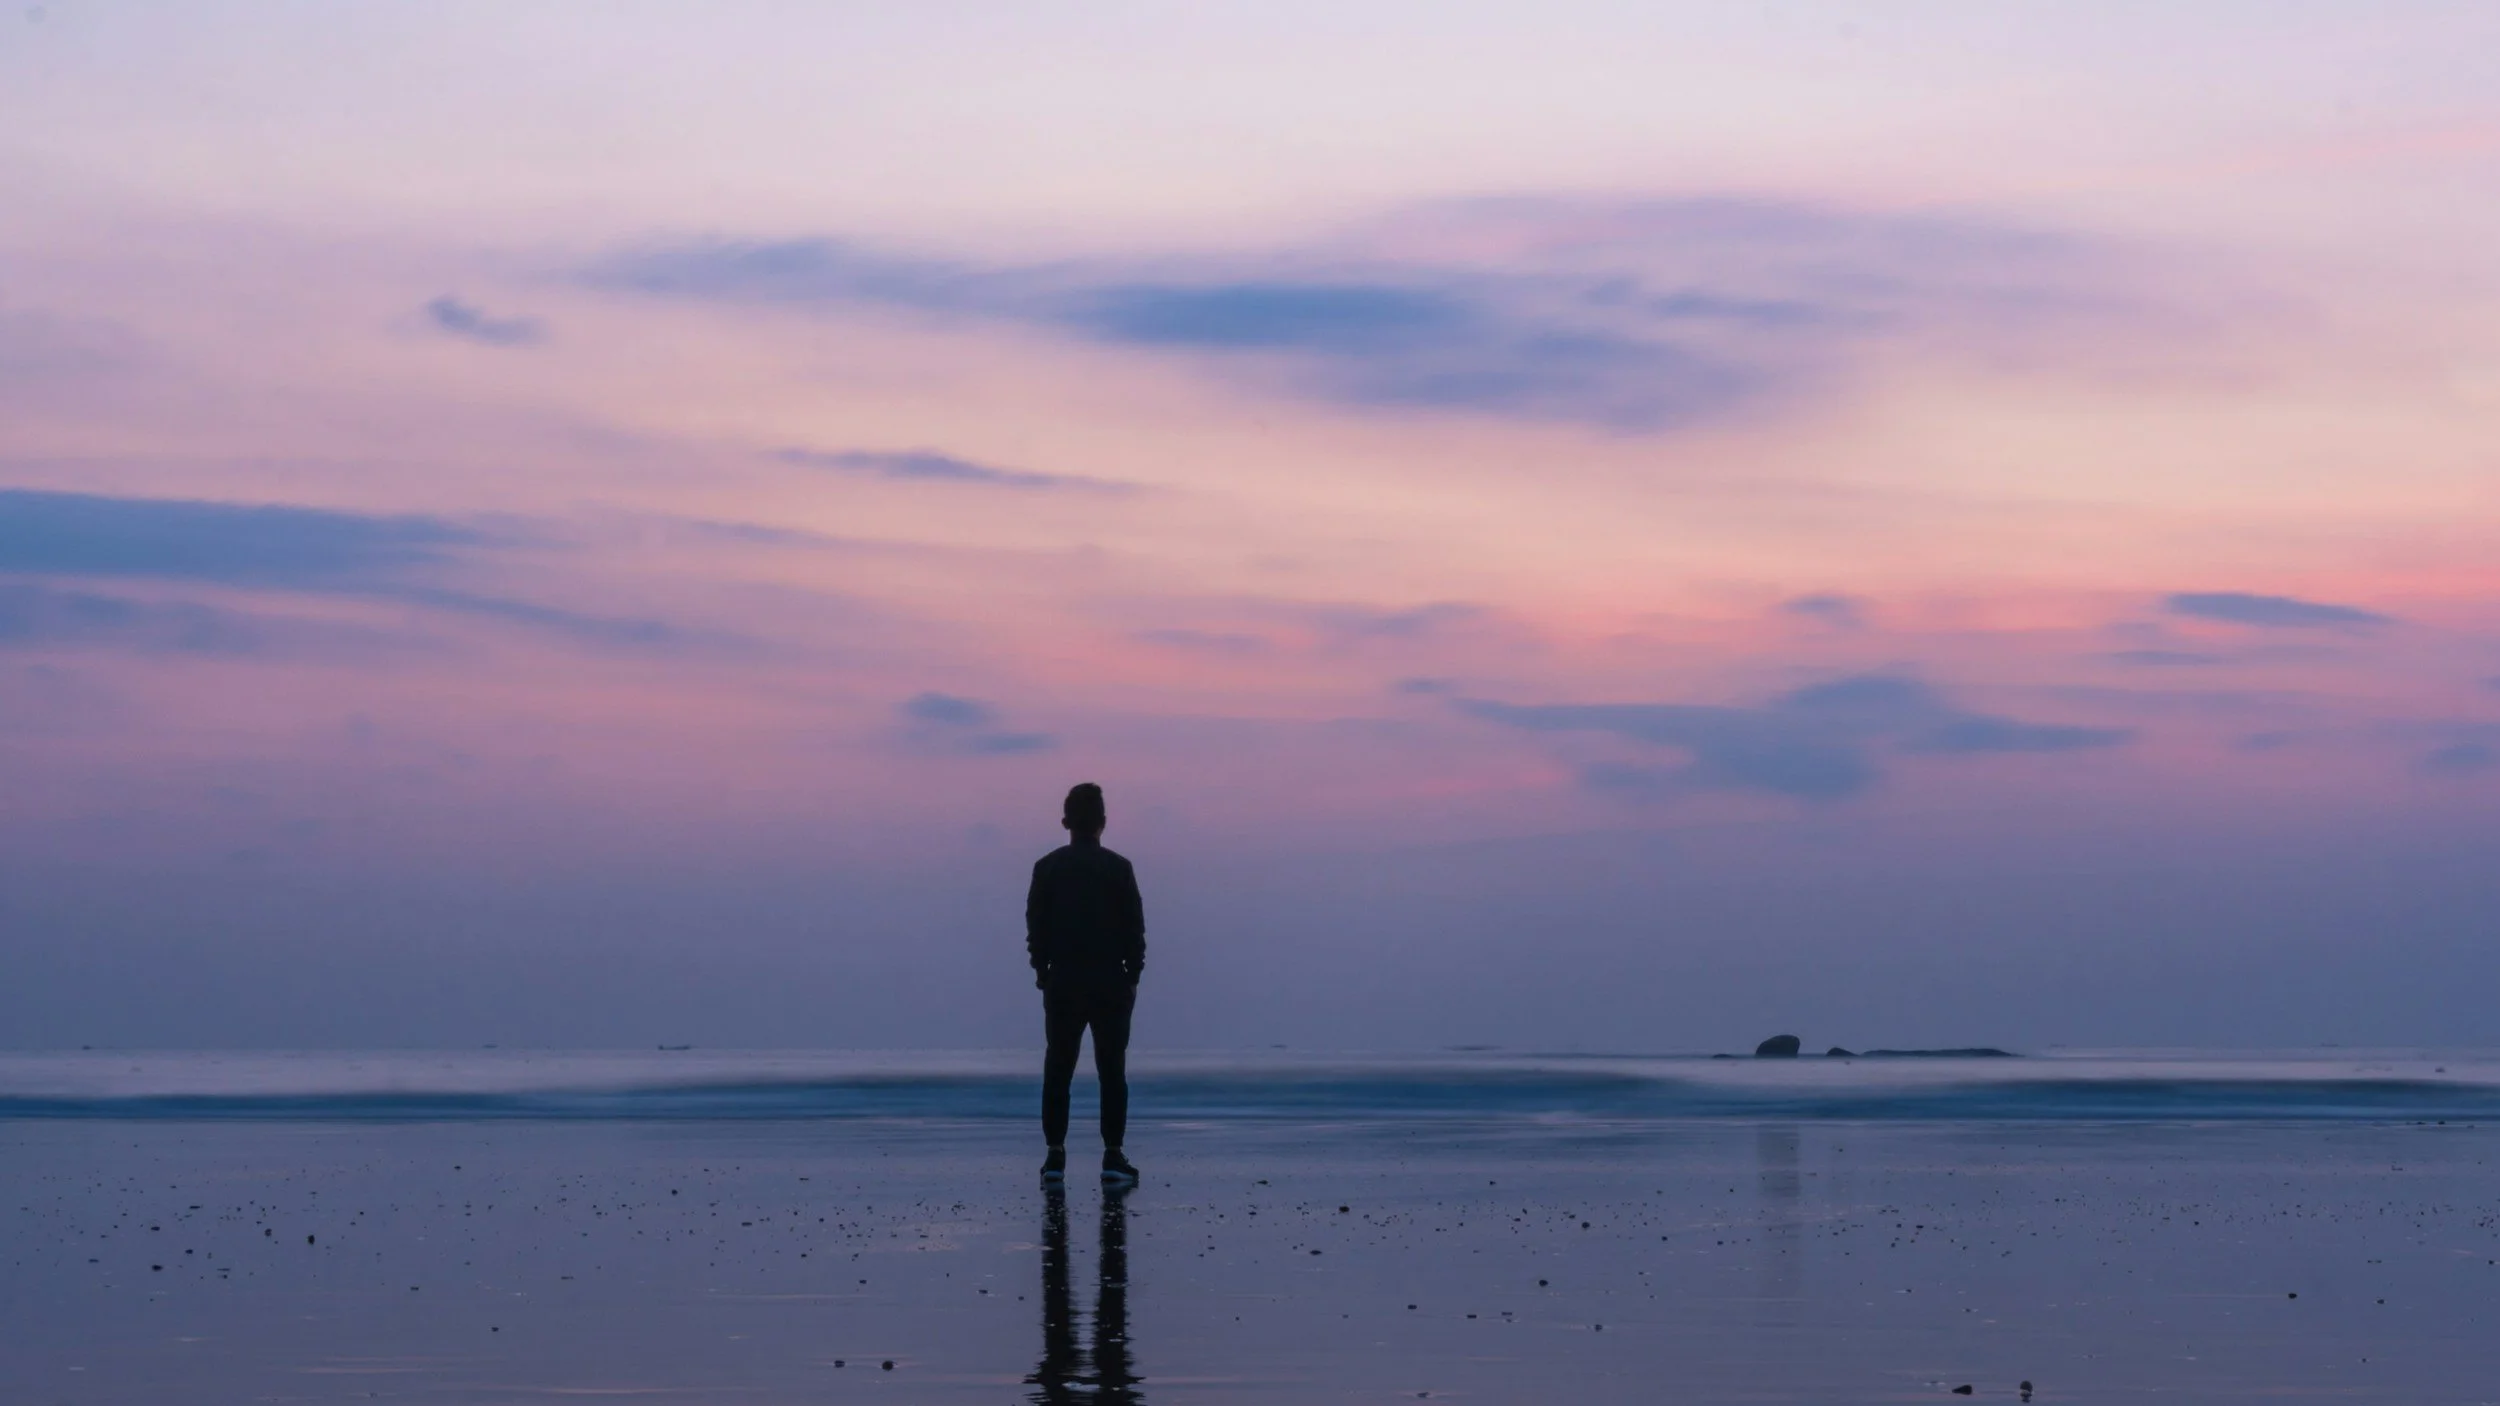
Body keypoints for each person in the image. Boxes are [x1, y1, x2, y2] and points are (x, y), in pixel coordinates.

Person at [1027, 782, 1146, 1183]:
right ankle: (1112, 1155)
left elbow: (1036, 926)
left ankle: (1055, 1156)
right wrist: (1132, 977)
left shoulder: (1047, 868)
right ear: (1103, 823)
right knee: (1111, 1071)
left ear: (1066, 822)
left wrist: (1042, 970)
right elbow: (1135, 929)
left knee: (1058, 1068)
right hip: (1110, 981)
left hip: (1064, 980)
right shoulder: (1119, 868)